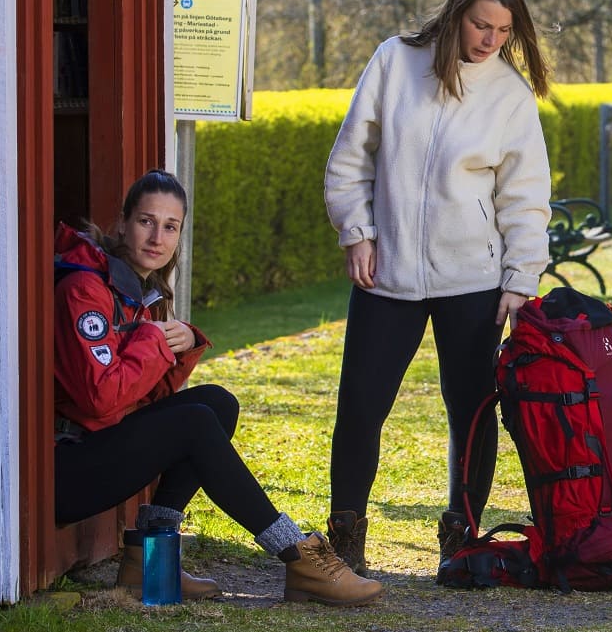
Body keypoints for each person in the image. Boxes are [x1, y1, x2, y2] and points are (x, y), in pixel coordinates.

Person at [53, 169, 381, 606]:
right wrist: (153, 342)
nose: (157, 237)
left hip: (95, 451)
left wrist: (184, 343)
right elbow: (100, 400)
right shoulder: (84, 289)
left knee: (216, 404)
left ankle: (148, 561)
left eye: (170, 227)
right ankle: (296, 554)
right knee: (192, 422)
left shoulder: (137, 293)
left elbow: (144, 399)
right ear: (123, 223)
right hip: (61, 470)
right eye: (146, 221)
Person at [322, 0, 553, 575]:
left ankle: (463, 534)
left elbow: (525, 196)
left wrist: (520, 279)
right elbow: (350, 158)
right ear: (457, 12)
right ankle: (345, 536)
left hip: (473, 282)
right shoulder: (394, 62)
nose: (491, 41)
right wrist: (358, 232)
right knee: (361, 405)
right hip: (387, 275)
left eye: (505, 32)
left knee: (472, 413)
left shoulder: (509, 96)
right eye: (482, 25)